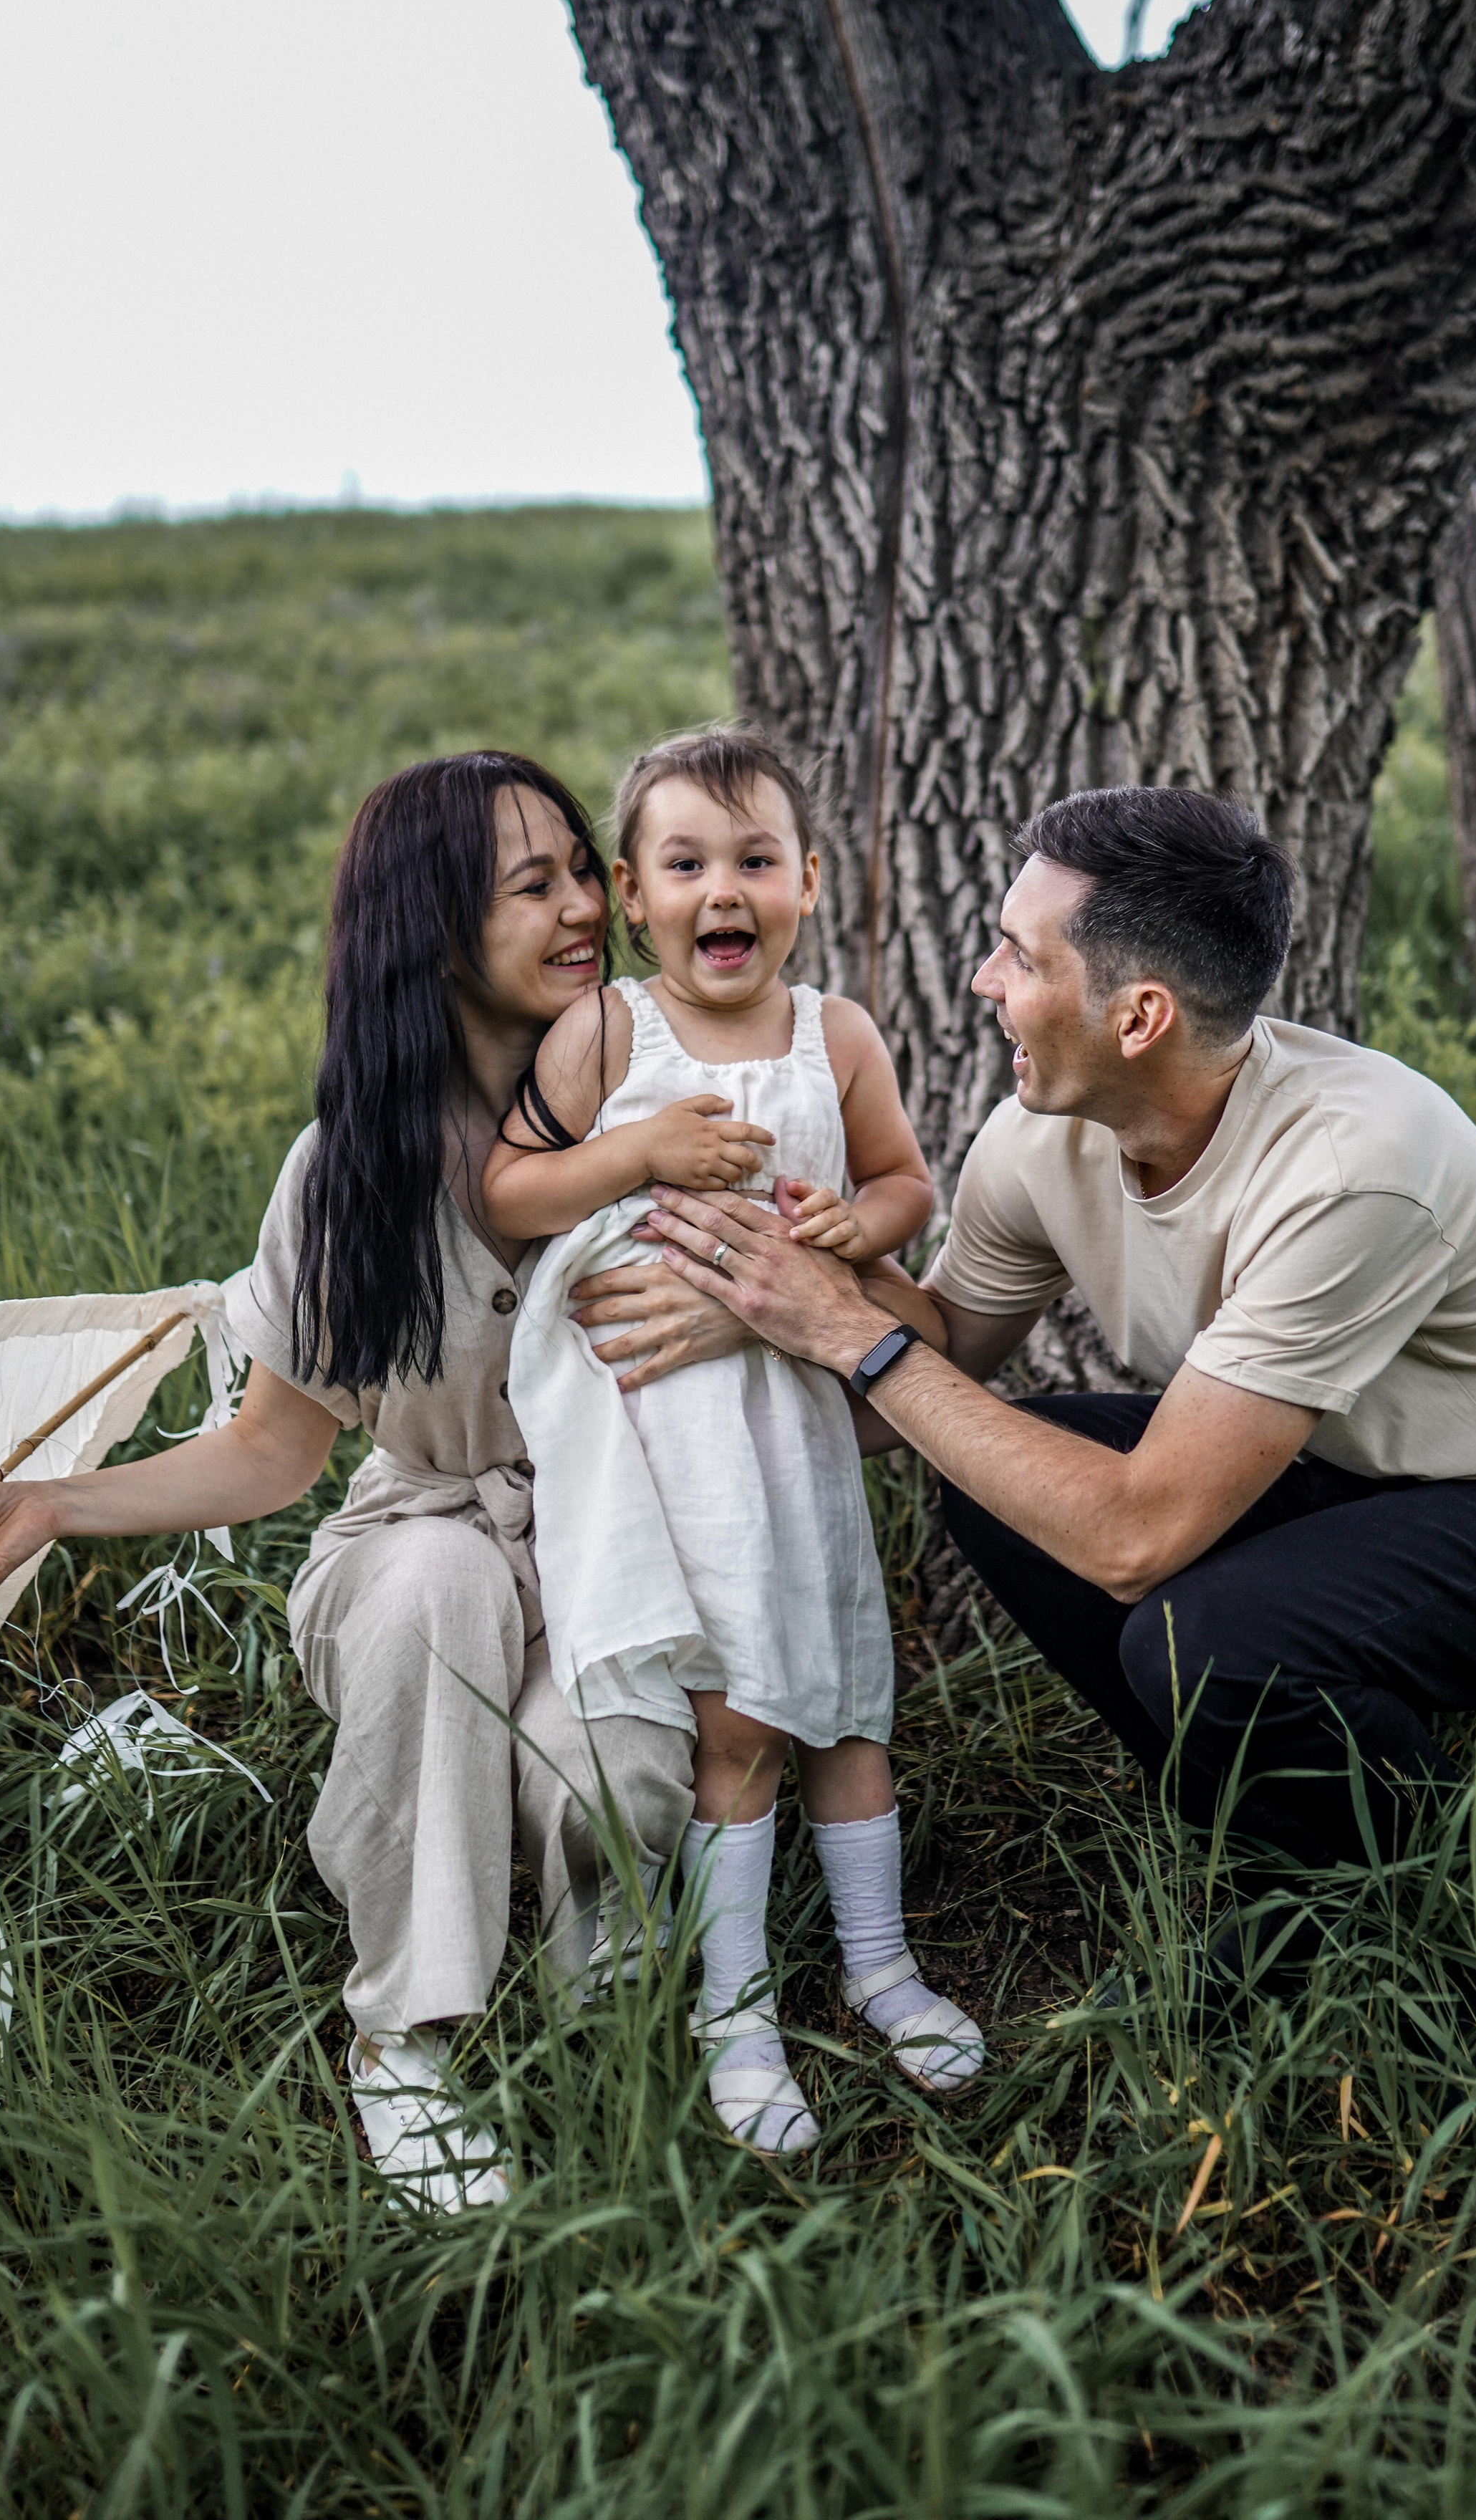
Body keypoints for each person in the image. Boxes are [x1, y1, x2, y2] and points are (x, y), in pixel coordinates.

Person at [636, 785, 1476, 1980]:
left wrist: (853, 1338)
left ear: (1139, 1016)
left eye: (1015, 956)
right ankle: (1264, 1831)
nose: (984, 983)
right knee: (997, 1482)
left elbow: (1133, 1537)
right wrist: (780, 1271)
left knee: (1202, 1638)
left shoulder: (1355, 1166)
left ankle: (1466, 1921)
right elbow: (940, 1357)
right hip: (1338, 1461)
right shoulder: (1042, 1137)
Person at [0, 751, 760, 2210]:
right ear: (432, 932)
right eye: (532, 883)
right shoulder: (349, 1171)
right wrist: (56, 1504)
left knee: (605, 1767)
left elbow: (818, 1352)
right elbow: (269, 1453)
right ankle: (408, 2037)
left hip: (615, 1547)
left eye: (580, 869)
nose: (583, 909)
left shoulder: (676, 1113)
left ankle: (608, 2030)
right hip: (415, 1544)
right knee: (437, 1582)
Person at [485, 726, 985, 2153]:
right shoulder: (608, 1035)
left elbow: (903, 1180)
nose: (725, 890)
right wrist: (635, 1155)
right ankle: (738, 2006)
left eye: (754, 861)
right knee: (739, 1716)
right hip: (670, 1438)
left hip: (801, 1426)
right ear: (633, 899)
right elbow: (509, 1186)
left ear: (808, 883)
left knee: (846, 1693)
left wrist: (854, 1224)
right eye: (687, 863)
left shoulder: (837, 1034)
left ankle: (881, 1965)